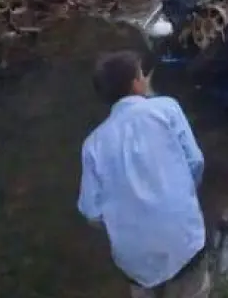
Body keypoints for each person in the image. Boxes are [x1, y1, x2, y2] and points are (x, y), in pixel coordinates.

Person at [77, 50, 210, 298]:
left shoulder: (93, 145)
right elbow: (196, 162)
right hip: (182, 237)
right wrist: (180, 196)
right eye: (141, 74)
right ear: (136, 84)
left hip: (135, 258)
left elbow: (92, 213)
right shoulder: (167, 109)